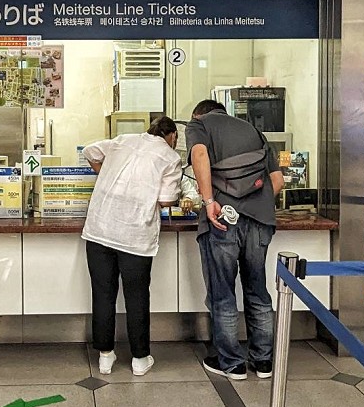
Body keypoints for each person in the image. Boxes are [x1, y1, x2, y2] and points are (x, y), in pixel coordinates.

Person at [186, 99, 284, 381]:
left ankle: (232, 363)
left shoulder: (199, 125)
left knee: (223, 294)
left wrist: (208, 202)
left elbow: (200, 156)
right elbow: (277, 180)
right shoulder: (254, 131)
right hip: (260, 222)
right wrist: (257, 205)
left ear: (199, 114)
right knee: (257, 290)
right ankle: (263, 362)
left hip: (222, 221)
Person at [82, 116, 183, 377]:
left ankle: (105, 356)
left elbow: (90, 151)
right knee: (137, 296)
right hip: (134, 235)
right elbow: (166, 200)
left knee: (103, 293)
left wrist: (104, 173)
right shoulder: (170, 157)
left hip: (100, 229)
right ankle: (139, 359)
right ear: (171, 136)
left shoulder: (123, 140)